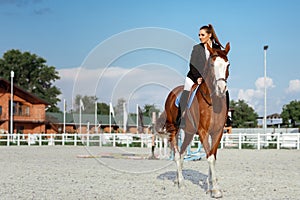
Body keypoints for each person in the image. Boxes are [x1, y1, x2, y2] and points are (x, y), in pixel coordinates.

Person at [176, 24, 224, 128]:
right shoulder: (197, 48)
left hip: (211, 79)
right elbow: (192, 65)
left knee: (223, 89)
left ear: (209, 35)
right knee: (187, 90)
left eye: (202, 35)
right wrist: (198, 77)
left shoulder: (217, 48)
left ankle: (225, 116)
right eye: (199, 35)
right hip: (194, 76)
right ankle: (181, 117)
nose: (200, 37)